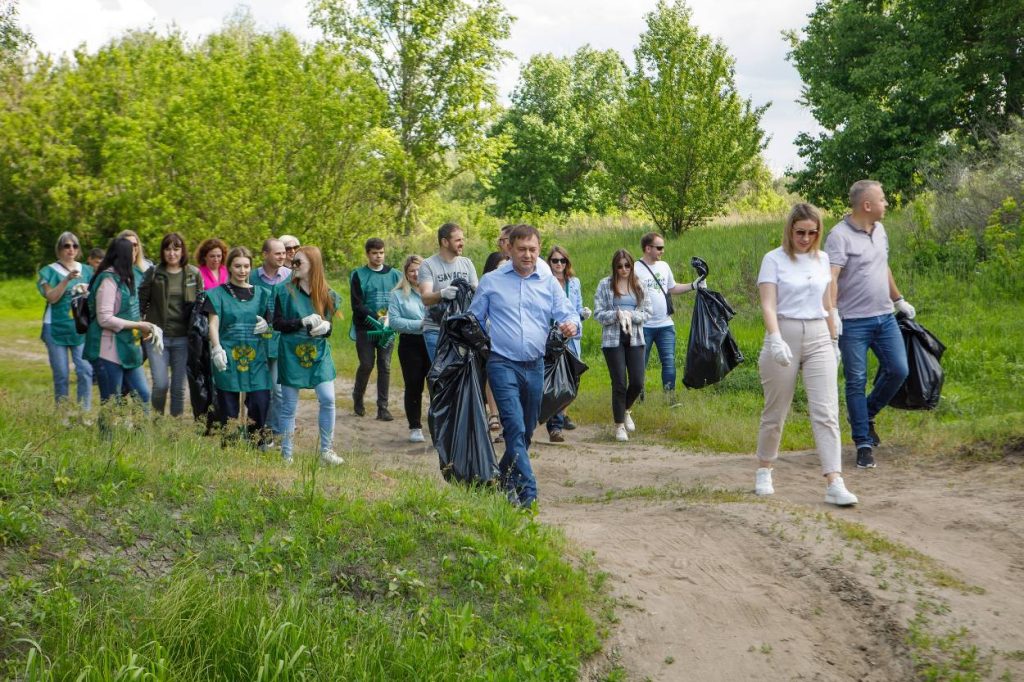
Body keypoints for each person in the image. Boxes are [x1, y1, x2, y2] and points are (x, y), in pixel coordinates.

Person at [755, 204, 858, 506]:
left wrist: (834, 335)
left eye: (812, 233)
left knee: (826, 411)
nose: (806, 238)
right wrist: (774, 338)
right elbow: (768, 304)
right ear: (790, 230)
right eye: (800, 232)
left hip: (818, 335)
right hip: (784, 331)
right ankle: (764, 468)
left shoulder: (822, 258)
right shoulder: (773, 260)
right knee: (776, 410)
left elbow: (827, 301)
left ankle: (834, 480)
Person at [469, 224, 579, 509]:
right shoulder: (491, 282)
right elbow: (474, 320)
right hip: (502, 364)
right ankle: (528, 493)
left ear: (539, 249)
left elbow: (568, 313)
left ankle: (501, 478)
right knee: (514, 427)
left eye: (532, 249)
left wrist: (570, 325)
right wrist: (476, 346)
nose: (527, 255)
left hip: (535, 366)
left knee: (528, 429)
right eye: (521, 249)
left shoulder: (547, 282)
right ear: (509, 249)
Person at [825, 180, 914, 469]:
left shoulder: (881, 230)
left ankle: (866, 412)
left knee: (899, 369)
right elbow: (832, 277)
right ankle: (863, 442)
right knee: (856, 381)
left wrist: (899, 300)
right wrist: (833, 313)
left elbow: (882, 266)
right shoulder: (838, 236)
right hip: (853, 323)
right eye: (882, 199)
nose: (886, 203)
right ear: (867, 205)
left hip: (885, 317)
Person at [273, 246, 344, 465]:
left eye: (298, 263)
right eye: (292, 262)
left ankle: (326, 451)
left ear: (313, 265)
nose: (293, 266)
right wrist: (300, 322)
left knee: (328, 399)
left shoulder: (327, 294)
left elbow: (329, 328)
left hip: (318, 352)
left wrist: (325, 328)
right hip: (291, 352)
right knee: (289, 405)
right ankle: (287, 453)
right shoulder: (284, 292)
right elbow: (277, 323)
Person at [84, 237, 155, 432]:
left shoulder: (128, 276)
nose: (135, 252)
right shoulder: (108, 280)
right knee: (111, 401)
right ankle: (106, 444)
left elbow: (130, 311)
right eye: (131, 249)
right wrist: (139, 326)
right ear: (123, 254)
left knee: (143, 394)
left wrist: (141, 330)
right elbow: (104, 319)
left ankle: (142, 439)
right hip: (107, 349)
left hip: (128, 348)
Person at [205, 246, 273, 446]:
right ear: (230, 267)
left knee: (260, 402)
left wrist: (267, 326)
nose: (242, 271)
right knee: (228, 408)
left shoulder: (262, 294)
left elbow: (270, 326)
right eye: (237, 266)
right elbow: (213, 324)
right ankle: (230, 446)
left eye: (246, 266)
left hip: (256, 358)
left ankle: (256, 442)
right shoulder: (217, 294)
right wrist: (216, 348)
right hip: (227, 355)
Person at [139, 232, 203, 417]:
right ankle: (157, 422)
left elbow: (201, 305)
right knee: (160, 384)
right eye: (167, 249)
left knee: (178, 387)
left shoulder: (193, 273)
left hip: (184, 338)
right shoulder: (153, 273)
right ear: (162, 251)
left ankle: (174, 429)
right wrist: (141, 327)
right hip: (157, 337)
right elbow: (141, 302)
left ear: (183, 251)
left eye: (176, 248)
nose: (172, 253)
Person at [634, 232, 704, 400]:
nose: (662, 251)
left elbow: (672, 288)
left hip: (665, 324)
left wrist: (694, 285)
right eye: (659, 248)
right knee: (639, 364)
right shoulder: (634, 268)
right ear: (647, 248)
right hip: (643, 326)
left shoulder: (664, 266)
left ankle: (669, 398)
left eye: (663, 247)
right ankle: (637, 398)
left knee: (669, 363)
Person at [594, 249, 652, 442]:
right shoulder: (604, 284)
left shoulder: (639, 284)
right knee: (619, 382)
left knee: (637, 381)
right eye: (620, 266)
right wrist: (616, 315)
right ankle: (619, 425)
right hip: (612, 339)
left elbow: (647, 312)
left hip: (635, 336)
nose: (624, 269)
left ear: (632, 265)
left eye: (627, 265)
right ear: (614, 267)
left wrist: (631, 315)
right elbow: (598, 313)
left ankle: (626, 409)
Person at [37, 231, 94, 413]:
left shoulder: (87, 270)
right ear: (59, 249)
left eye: (74, 246)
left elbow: (95, 297)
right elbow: (52, 298)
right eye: (66, 246)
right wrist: (66, 280)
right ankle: (62, 414)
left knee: (85, 370)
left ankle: (83, 413)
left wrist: (87, 292)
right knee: (61, 373)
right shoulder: (48, 271)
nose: (71, 249)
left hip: (80, 326)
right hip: (55, 326)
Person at [350, 237, 401, 420]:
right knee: (366, 364)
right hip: (365, 328)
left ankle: (383, 407)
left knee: (385, 366)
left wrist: (392, 318)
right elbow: (357, 305)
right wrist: (376, 316)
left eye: (381, 252)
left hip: (387, 328)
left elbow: (401, 298)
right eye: (374, 253)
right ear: (368, 254)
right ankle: (358, 396)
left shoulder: (395, 275)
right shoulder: (358, 275)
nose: (378, 256)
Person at [545, 245, 591, 442]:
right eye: (555, 261)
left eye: (562, 261)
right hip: (551, 336)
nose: (559, 264)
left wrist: (583, 314)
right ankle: (554, 425)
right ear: (549, 263)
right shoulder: (544, 282)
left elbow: (577, 308)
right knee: (552, 379)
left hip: (571, 337)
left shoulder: (574, 282)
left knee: (569, 378)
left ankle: (560, 418)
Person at [250, 237, 291, 447]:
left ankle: (273, 431)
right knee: (256, 390)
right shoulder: (251, 277)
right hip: (255, 342)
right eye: (278, 253)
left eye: (284, 252)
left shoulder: (290, 277)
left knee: (278, 390)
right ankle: (255, 429)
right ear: (265, 254)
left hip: (280, 342)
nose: (282, 256)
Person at [418, 222, 478, 362]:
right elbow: (425, 298)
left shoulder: (467, 263)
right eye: (458, 240)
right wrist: (442, 293)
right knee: (443, 376)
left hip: (462, 330)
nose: (462, 243)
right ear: (444, 242)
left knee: (462, 377)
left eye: (463, 239)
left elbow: (477, 292)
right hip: (436, 329)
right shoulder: (428, 265)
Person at [388, 254, 429, 443]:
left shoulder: (433, 290)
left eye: (419, 269)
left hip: (433, 341)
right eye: (411, 270)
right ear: (405, 273)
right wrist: (419, 324)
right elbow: (395, 322)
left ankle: (438, 425)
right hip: (410, 343)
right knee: (414, 385)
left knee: (437, 386)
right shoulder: (397, 295)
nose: (415, 273)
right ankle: (415, 426)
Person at [482, 225, 513, 440]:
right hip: (493, 337)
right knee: (494, 375)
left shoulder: (531, 273)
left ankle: (509, 422)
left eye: (502, 240)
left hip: (518, 341)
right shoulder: (489, 282)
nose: (499, 243)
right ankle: (494, 414)